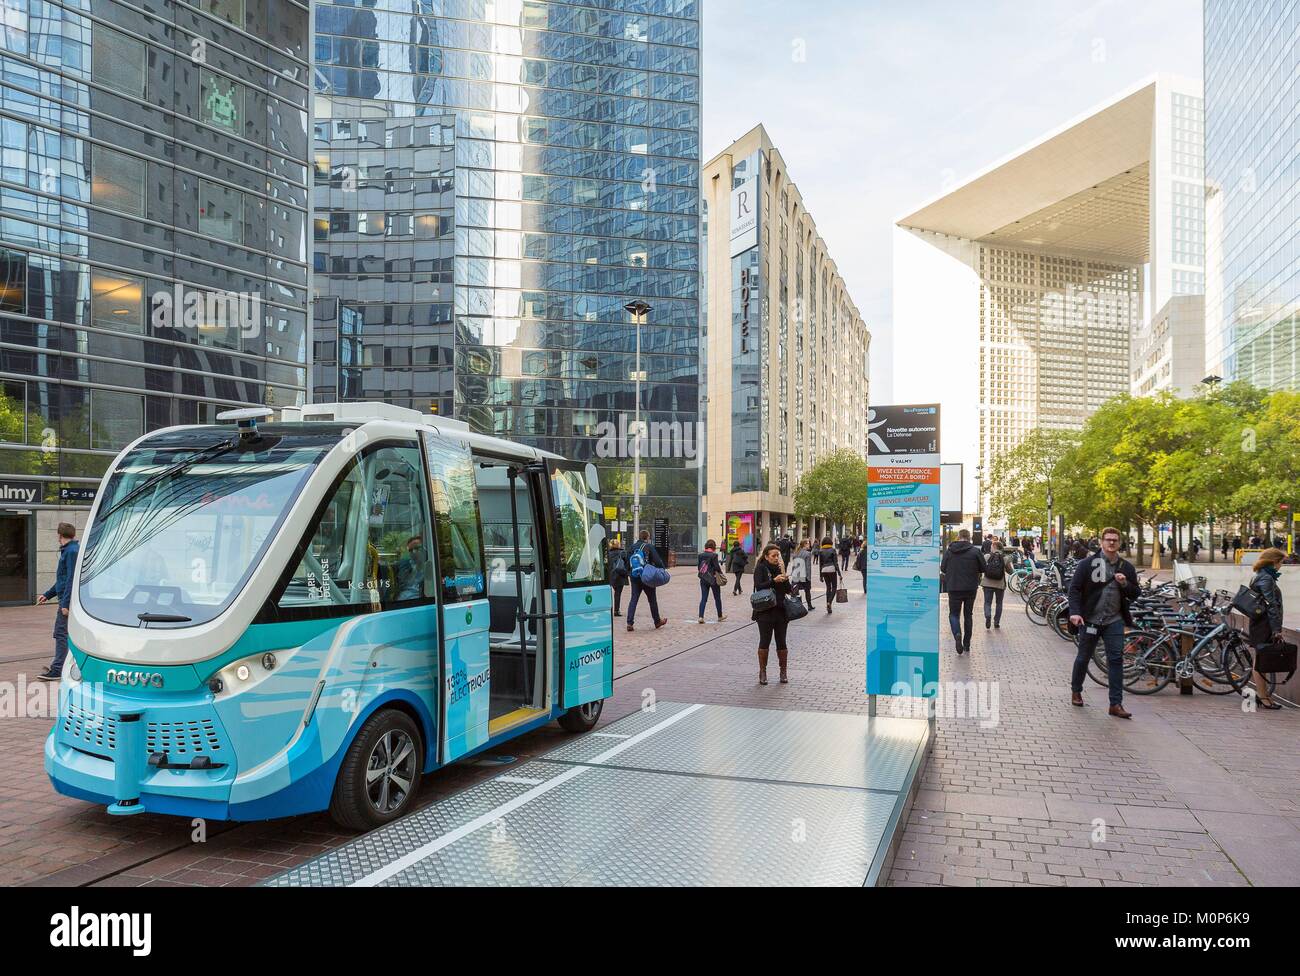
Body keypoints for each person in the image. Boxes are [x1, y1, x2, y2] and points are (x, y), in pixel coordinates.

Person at [1068, 527, 1140, 718]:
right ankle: (1076, 690)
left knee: (1115, 660)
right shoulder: (1087, 564)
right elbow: (1074, 589)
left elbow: (1135, 593)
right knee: (1084, 657)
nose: (1111, 543)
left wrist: (1125, 583)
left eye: (1115, 540)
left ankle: (1115, 704)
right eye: (1108, 540)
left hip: (1114, 620)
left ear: (1119, 543)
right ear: (1101, 542)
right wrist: (1075, 613)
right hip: (1090, 620)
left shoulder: (1126, 567)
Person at [36, 522, 80, 681]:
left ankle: (58, 669)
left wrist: (65, 604)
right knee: (64, 634)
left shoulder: (71, 552)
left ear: (59, 535)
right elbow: (63, 580)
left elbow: (71, 580)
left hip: (67, 602)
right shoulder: (70, 550)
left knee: (61, 633)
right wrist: (47, 595)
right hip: (65, 599)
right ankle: (63, 666)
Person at [1245, 548, 1286, 710]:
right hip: (1264, 624)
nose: (1282, 565)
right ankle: (1263, 696)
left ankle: (1264, 695)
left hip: (1261, 623)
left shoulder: (1261, 575)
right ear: (1274, 561)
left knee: (1261, 659)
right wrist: (1276, 629)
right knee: (1260, 660)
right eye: (1281, 562)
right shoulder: (1266, 578)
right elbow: (1271, 605)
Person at [751, 543, 793, 685]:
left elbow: (788, 590)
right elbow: (759, 586)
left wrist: (783, 573)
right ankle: (762, 672)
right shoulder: (761, 568)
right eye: (774, 556)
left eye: (778, 556)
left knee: (781, 641)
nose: (776, 558)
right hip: (765, 612)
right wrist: (773, 581)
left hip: (781, 611)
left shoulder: (779, 568)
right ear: (766, 556)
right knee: (765, 641)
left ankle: (783, 672)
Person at [940, 529, 985, 654]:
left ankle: (957, 634)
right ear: (969, 537)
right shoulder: (975, 551)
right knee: (968, 615)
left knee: (954, 614)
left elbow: (943, 568)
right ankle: (966, 644)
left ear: (958, 537)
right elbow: (983, 568)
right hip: (970, 588)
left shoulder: (950, 551)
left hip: (954, 587)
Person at [625, 529, 667, 632]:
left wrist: (630, 573)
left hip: (635, 576)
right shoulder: (649, 547)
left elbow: (627, 561)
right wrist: (662, 568)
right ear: (647, 537)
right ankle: (657, 621)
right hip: (647, 576)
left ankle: (629, 623)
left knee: (634, 599)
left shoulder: (632, 547)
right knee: (652, 600)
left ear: (639, 537)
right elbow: (657, 561)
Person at [695, 540, 727, 624]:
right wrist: (721, 574)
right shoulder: (714, 555)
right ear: (713, 547)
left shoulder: (700, 555)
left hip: (703, 579)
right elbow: (717, 567)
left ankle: (701, 617)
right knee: (717, 598)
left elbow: (699, 567)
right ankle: (720, 616)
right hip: (713, 579)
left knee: (703, 598)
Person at [981, 537, 1007, 629]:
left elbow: (982, 568)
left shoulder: (987, 556)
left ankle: (988, 615)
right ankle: (996, 622)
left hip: (987, 584)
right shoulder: (1005, 558)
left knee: (987, 602)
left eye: (992, 546)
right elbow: (1010, 571)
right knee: (999, 603)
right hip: (1000, 585)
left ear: (994, 546)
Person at [395, 535, 427, 600]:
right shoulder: (410, 566)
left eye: (417, 548)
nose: (413, 553)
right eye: (410, 550)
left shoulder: (430, 568)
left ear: (425, 549)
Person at [606, 538, 630, 617]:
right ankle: (616, 610)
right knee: (618, 593)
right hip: (620, 576)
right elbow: (627, 564)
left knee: (612, 593)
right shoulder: (623, 552)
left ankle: (609, 609)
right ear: (618, 545)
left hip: (611, 576)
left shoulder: (607, 553)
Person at [817, 536, 841, 614]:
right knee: (834, 587)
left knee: (828, 587)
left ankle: (828, 604)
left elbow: (820, 564)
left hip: (824, 570)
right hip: (832, 569)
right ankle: (829, 603)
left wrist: (820, 575)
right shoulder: (833, 550)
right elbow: (835, 563)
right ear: (831, 542)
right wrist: (839, 574)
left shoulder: (821, 551)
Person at [789, 539, 815, 610]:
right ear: (805, 544)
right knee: (807, 591)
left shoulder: (796, 553)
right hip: (804, 575)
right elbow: (808, 567)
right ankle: (809, 606)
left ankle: (795, 606)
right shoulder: (807, 553)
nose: (809, 545)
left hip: (796, 574)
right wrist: (809, 578)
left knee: (794, 591)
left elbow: (794, 566)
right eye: (808, 544)